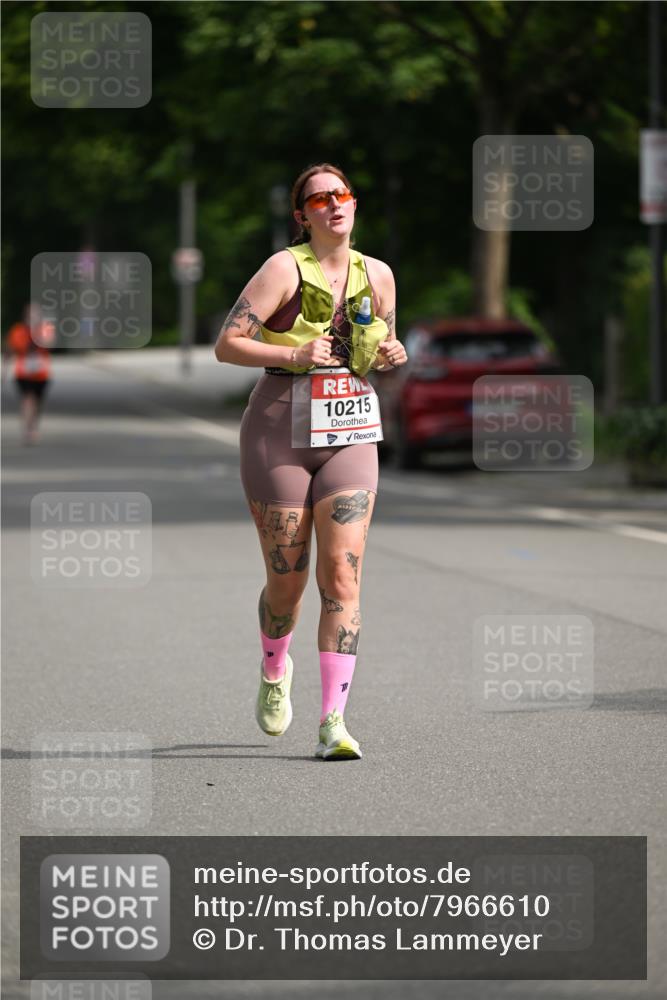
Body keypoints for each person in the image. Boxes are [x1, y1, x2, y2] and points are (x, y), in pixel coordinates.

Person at [214, 163, 407, 760]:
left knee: (343, 578)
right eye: (320, 199)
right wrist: (295, 351)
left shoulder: (378, 275)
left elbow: (373, 351)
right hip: (279, 431)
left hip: (349, 432)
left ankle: (333, 722)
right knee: (287, 578)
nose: (334, 205)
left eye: (342, 194)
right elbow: (228, 344)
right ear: (303, 216)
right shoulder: (281, 269)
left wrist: (391, 352)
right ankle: (275, 667)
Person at [3, 304, 53, 445]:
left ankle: (33, 425)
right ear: (25, 316)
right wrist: (4, 371)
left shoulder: (45, 329)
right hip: (23, 373)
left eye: (35, 315)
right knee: (27, 399)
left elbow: (48, 344)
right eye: (30, 315)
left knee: (37, 402)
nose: (32, 318)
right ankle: (28, 429)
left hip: (41, 374)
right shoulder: (17, 331)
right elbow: (9, 351)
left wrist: (35, 332)